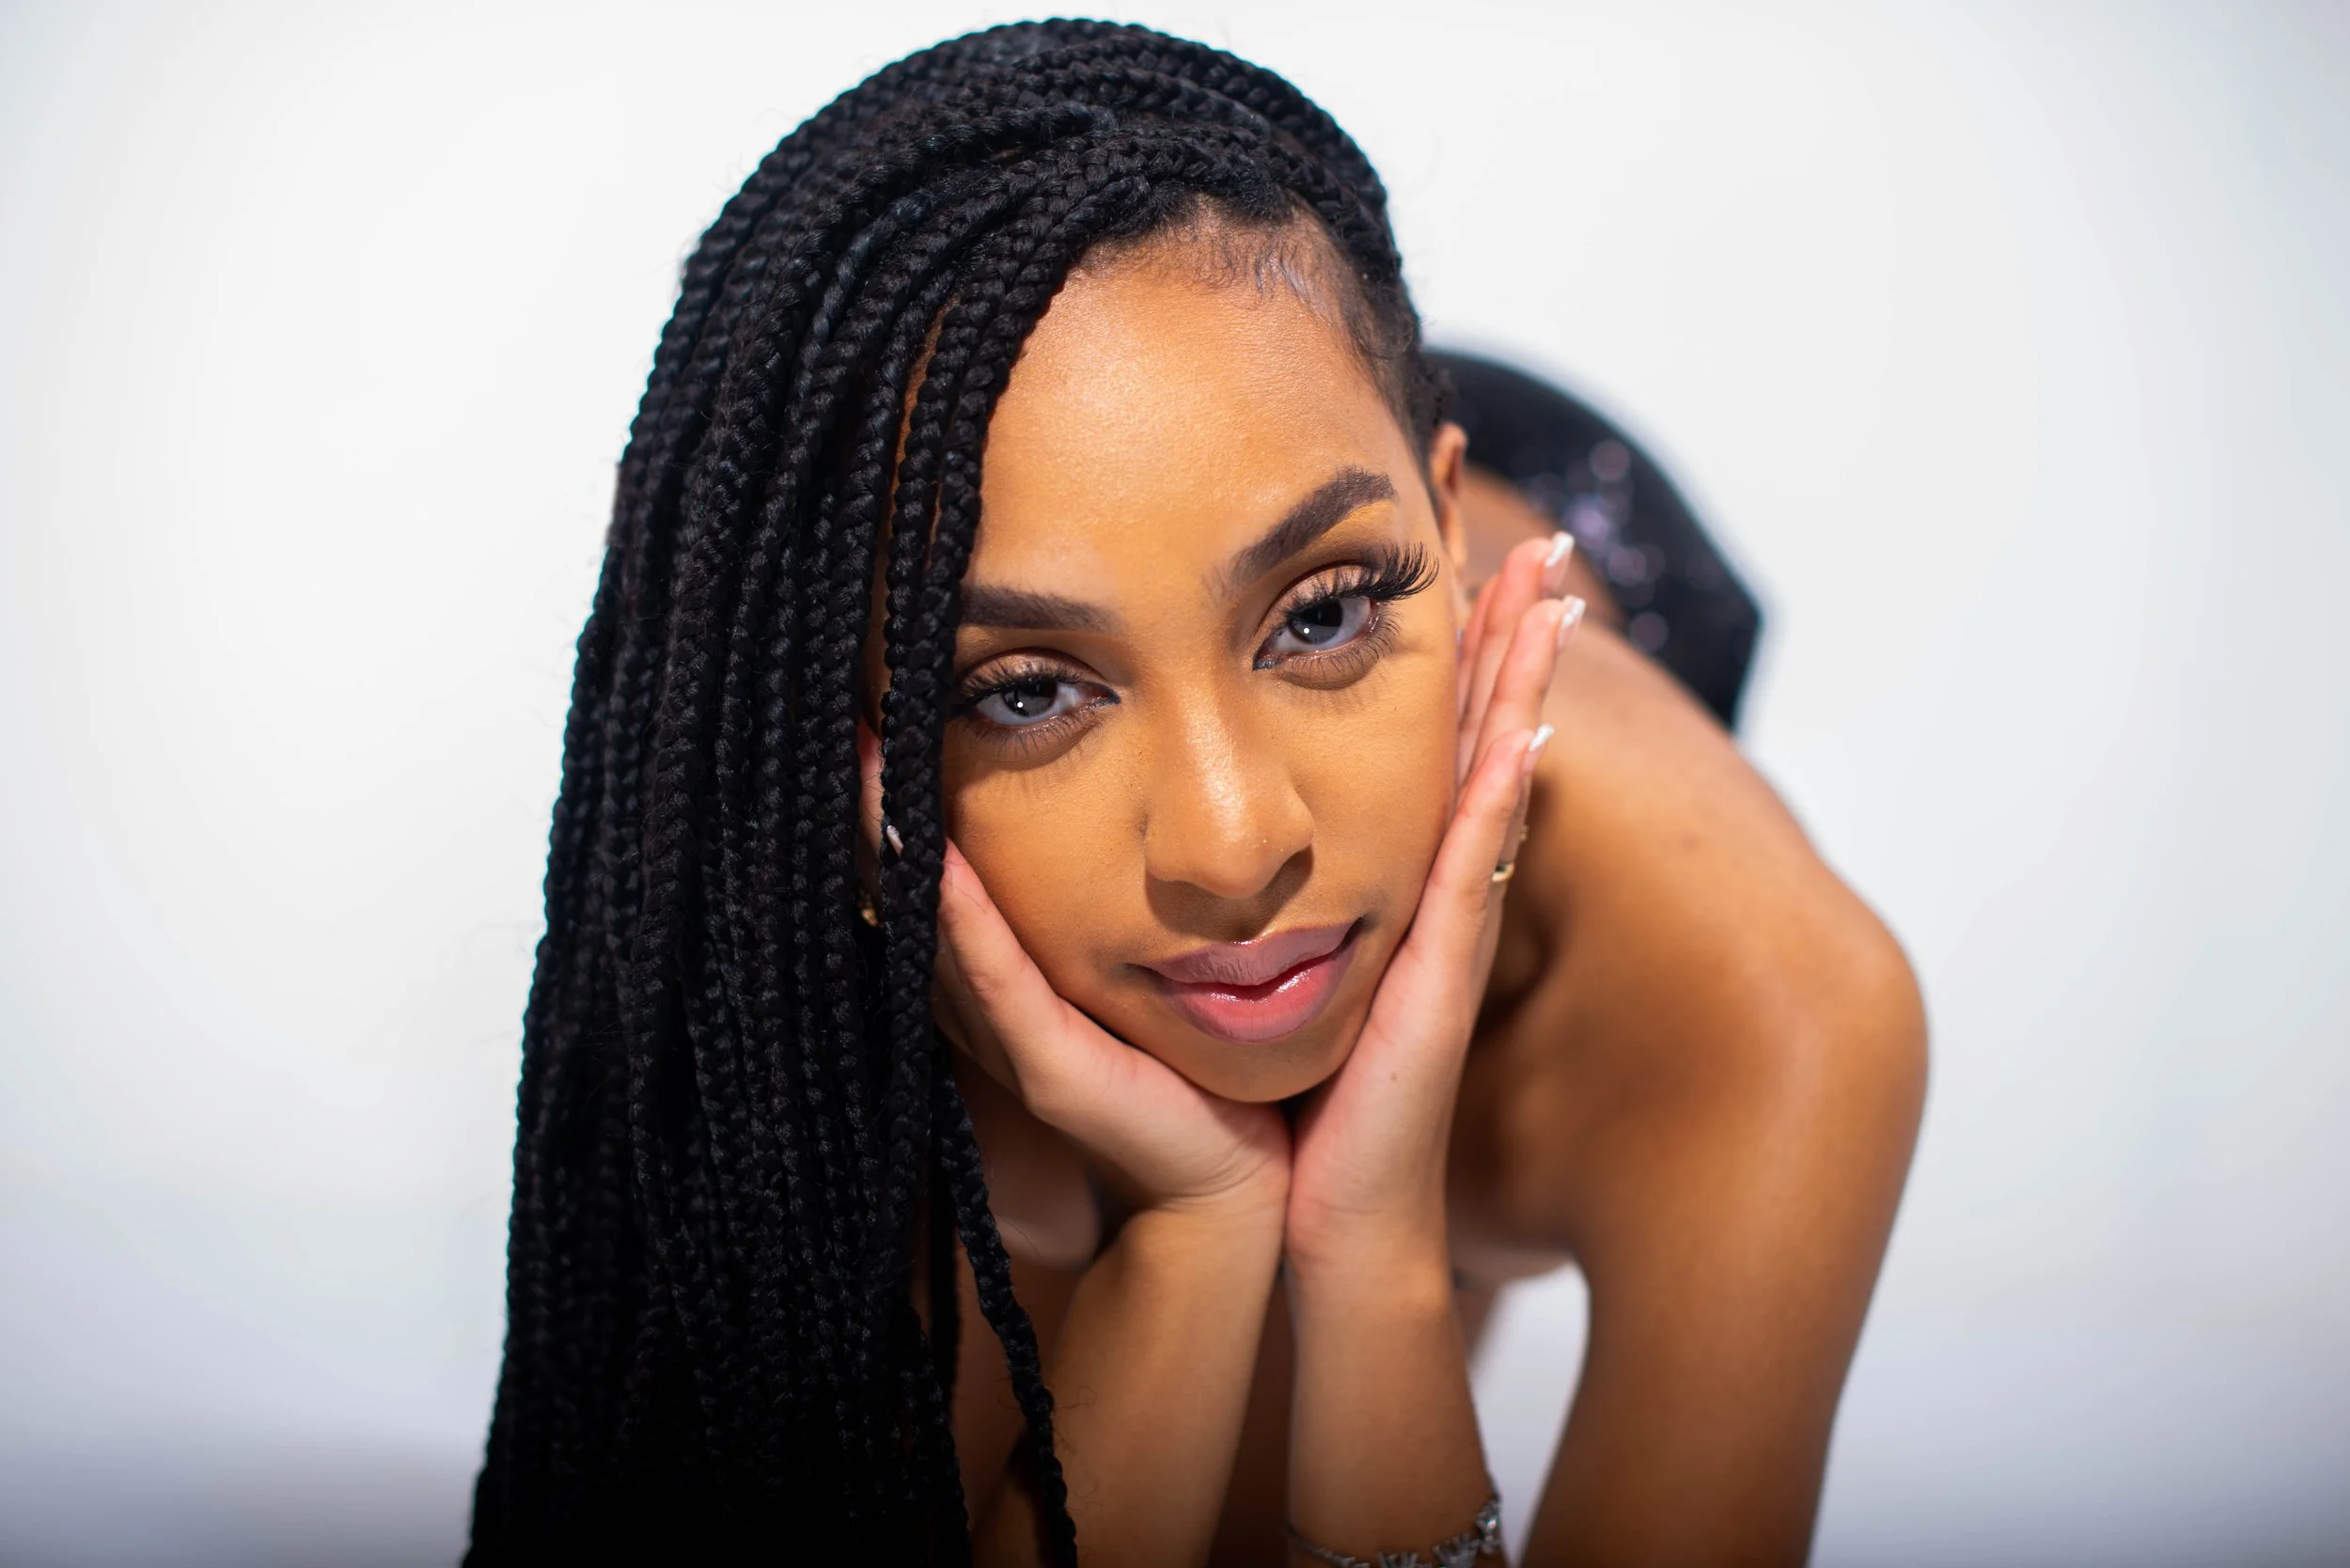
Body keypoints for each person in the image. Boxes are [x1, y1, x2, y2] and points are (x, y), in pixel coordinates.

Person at [466, 22, 1925, 1566]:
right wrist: (1192, 1231)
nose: (1235, 851)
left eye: (1323, 615)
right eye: (1028, 691)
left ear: (1442, 513)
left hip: (1500, 515)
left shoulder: (1771, 1001)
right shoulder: (803, 920)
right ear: (853, 736)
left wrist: (1378, 1265)